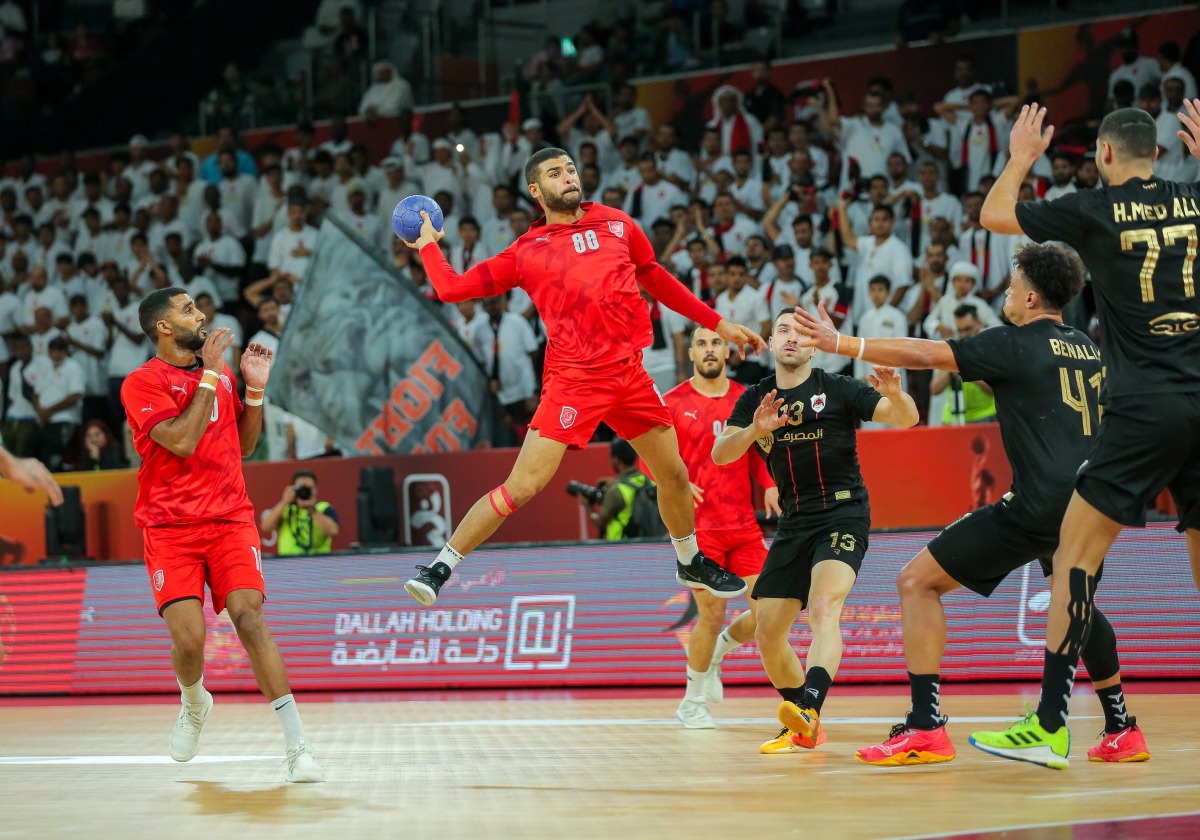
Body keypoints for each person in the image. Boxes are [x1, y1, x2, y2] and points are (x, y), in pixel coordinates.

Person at [794, 243, 1151, 767]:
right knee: (1077, 605)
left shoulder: (1014, 342)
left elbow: (926, 354)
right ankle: (1121, 726)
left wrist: (843, 342)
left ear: (1030, 296)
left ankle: (925, 727)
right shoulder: (1087, 347)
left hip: (1038, 505)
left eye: (1009, 288)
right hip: (1090, 501)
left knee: (917, 582)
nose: (1004, 296)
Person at [402, 147, 767, 606]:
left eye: (571, 169)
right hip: (575, 381)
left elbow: (654, 275)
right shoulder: (526, 252)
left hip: (630, 375)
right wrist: (429, 244)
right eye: (555, 173)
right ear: (537, 191)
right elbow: (451, 288)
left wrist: (718, 323)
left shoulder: (617, 223)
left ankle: (689, 561)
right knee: (523, 487)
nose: (568, 177)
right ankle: (440, 568)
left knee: (673, 475)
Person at [965, 103, 1200, 769]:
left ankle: (1049, 723)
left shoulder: (1096, 208)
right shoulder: (1192, 196)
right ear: (1159, 153)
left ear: (1103, 156)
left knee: (1073, 556)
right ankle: (1102, 724)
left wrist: (1020, 157)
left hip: (1146, 406)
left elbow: (994, 215)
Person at [119, 287, 323, 782]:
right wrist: (212, 372)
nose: (201, 314)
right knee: (190, 643)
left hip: (230, 517)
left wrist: (253, 390)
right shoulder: (141, 383)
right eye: (188, 309)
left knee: (249, 619)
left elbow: (247, 444)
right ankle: (194, 701)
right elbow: (184, 442)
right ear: (163, 327)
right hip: (169, 527)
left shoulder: (223, 374)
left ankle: (298, 746)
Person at [712, 309, 919, 754]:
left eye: (801, 332)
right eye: (783, 330)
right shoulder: (756, 398)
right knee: (767, 631)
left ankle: (809, 705)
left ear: (814, 344)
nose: (792, 338)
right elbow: (721, 454)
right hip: (793, 523)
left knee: (824, 606)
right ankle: (803, 724)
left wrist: (897, 394)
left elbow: (906, 418)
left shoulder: (838, 388)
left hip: (842, 515)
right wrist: (755, 430)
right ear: (770, 342)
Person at [663, 327, 781, 729]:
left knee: (773, 611)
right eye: (702, 343)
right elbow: (651, 456)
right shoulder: (673, 402)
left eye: (716, 343)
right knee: (709, 616)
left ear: (726, 351)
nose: (710, 349)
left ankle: (720, 652)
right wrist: (676, 480)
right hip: (700, 532)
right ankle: (692, 702)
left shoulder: (742, 398)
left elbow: (756, 451)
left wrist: (768, 485)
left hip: (743, 525)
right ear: (691, 353)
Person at [580, 439, 655, 540]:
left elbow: (600, 522)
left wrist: (588, 506)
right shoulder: (650, 483)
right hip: (653, 545)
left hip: (622, 548)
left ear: (616, 459)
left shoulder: (615, 491)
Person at [260, 469, 340, 556]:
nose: (304, 491)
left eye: (309, 488)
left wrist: (312, 509)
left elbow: (333, 531)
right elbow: (266, 527)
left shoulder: (324, 508)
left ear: (316, 489)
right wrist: (284, 501)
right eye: (301, 488)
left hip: (318, 563)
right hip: (287, 563)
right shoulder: (287, 509)